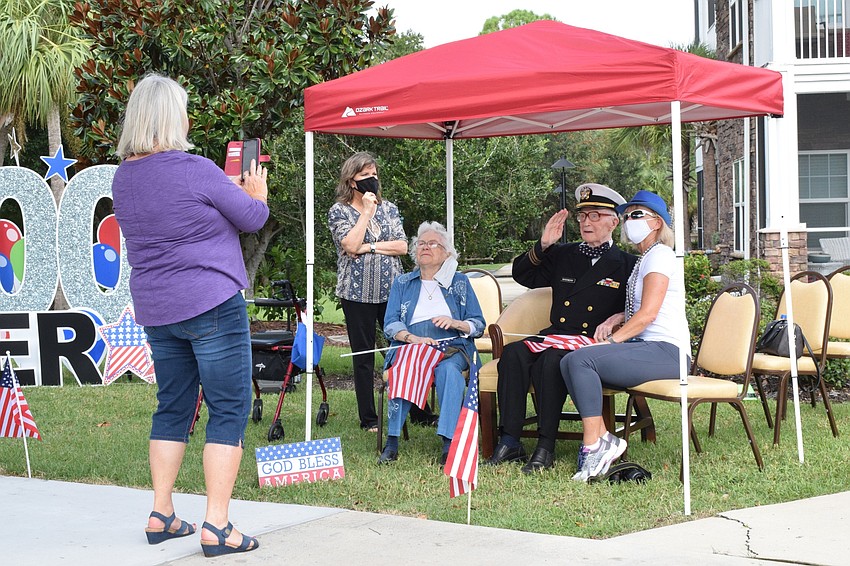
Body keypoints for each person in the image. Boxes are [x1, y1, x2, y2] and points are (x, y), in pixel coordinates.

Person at [111, 74, 267, 557]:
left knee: (173, 405)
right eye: (181, 108)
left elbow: (177, 218)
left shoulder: (124, 176)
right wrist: (255, 190)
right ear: (167, 117)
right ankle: (217, 526)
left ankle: (162, 512)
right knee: (228, 407)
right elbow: (253, 219)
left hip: (157, 309)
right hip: (210, 302)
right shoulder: (194, 169)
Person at [486, 184, 637, 474]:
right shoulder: (564, 254)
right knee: (514, 354)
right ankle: (510, 440)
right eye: (582, 217)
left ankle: (546, 445)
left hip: (592, 342)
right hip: (557, 333)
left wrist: (618, 316)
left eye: (595, 216)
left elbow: (640, 306)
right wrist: (543, 245)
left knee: (550, 362)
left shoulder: (627, 264)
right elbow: (523, 275)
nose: (587, 223)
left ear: (613, 222)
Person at [560, 190, 690, 482]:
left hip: (668, 353)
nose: (629, 220)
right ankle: (602, 439)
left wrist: (612, 341)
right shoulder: (646, 257)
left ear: (656, 222)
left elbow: (648, 315)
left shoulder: (660, 256)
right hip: (647, 347)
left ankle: (594, 443)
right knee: (569, 360)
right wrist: (618, 317)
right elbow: (638, 308)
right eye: (627, 215)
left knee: (582, 361)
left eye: (636, 215)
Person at [328, 153, 440, 432]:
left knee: (406, 348)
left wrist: (370, 247)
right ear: (351, 181)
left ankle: (419, 411)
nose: (372, 181)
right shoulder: (339, 211)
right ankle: (369, 418)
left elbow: (402, 246)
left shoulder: (389, 208)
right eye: (366, 176)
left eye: (375, 175)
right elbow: (350, 244)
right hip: (357, 294)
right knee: (363, 356)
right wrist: (365, 213)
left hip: (394, 291)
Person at [379, 221, 486, 465]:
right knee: (404, 369)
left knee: (450, 372)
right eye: (421, 244)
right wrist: (412, 338)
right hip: (413, 346)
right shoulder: (402, 282)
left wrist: (456, 323)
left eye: (432, 244)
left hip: (452, 348)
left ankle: (449, 444)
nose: (424, 247)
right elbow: (390, 323)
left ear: (447, 253)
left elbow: (478, 324)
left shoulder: (459, 282)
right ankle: (392, 442)